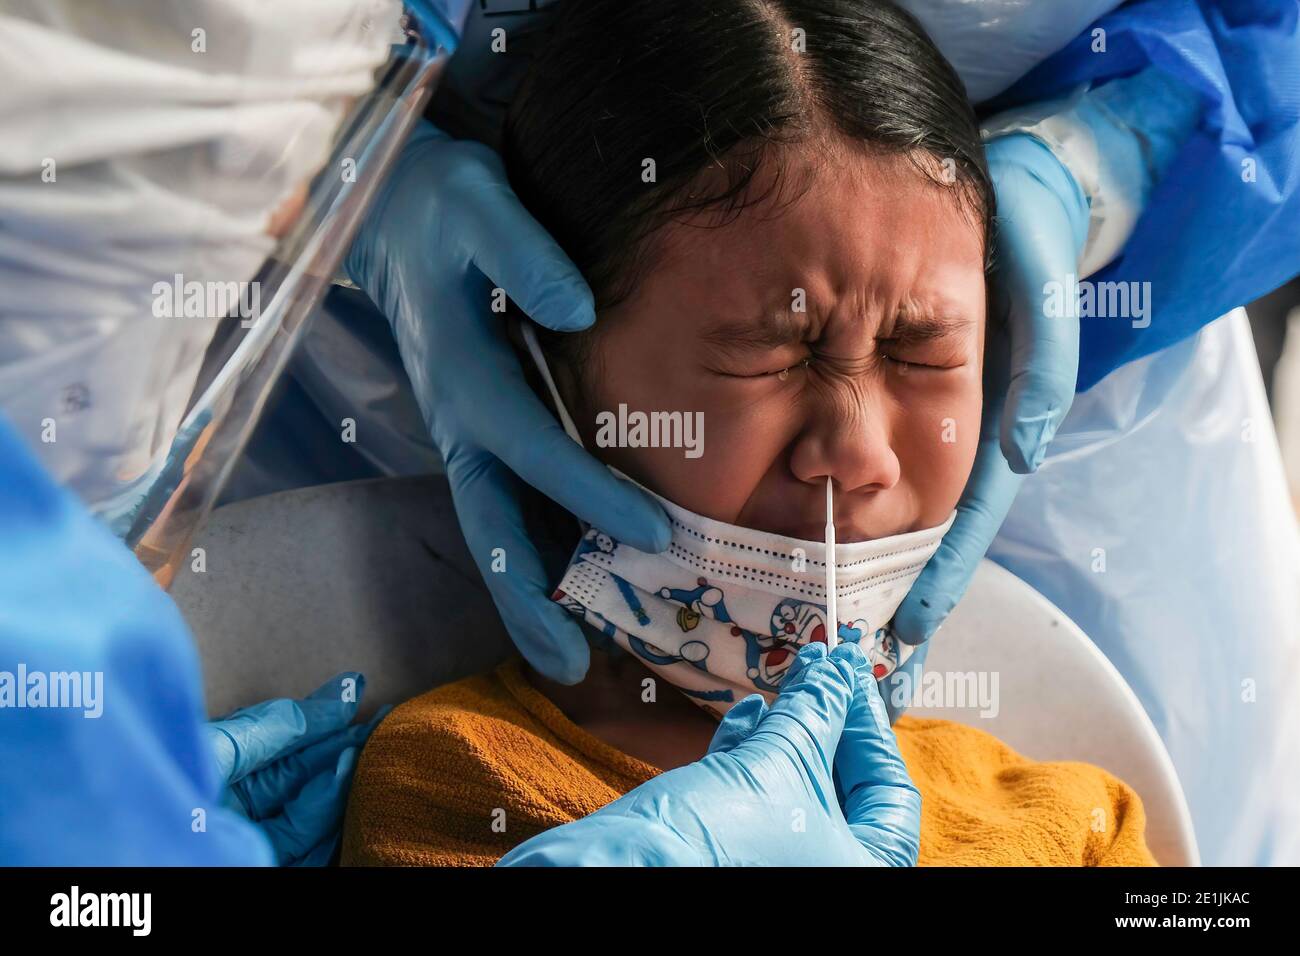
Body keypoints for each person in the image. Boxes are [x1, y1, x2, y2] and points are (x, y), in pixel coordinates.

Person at [340, 0, 1158, 867]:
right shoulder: (458, 790)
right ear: (542, 374)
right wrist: (338, 162)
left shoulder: (1075, 822)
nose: (858, 453)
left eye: (920, 352)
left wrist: (1102, 153)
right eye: (772, 357)